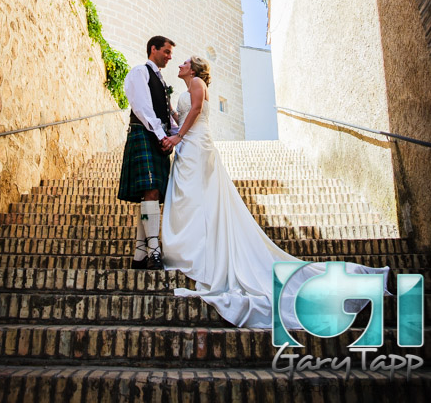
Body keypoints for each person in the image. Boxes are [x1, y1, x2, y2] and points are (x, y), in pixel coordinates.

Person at [161, 56, 390, 329]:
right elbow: (183, 115)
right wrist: (168, 109)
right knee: (193, 200)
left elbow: (196, 110)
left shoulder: (197, 83)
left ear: (195, 69)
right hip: (188, 146)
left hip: (198, 145)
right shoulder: (185, 89)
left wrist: (178, 137)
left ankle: (203, 251)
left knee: (202, 199)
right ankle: (197, 245)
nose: (180, 64)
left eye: (185, 62)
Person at [118, 35, 178, 270]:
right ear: (153, 49)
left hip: (157, 137)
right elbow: (142, 107)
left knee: (150, 196)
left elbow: (166, 113)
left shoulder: (162, 81)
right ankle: (154, 251)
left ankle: (139, 254)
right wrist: (161, 136)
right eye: (166, 51)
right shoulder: (139, 72)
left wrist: (175, 135)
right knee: (151, 192)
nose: (169, 56)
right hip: (145, 134)